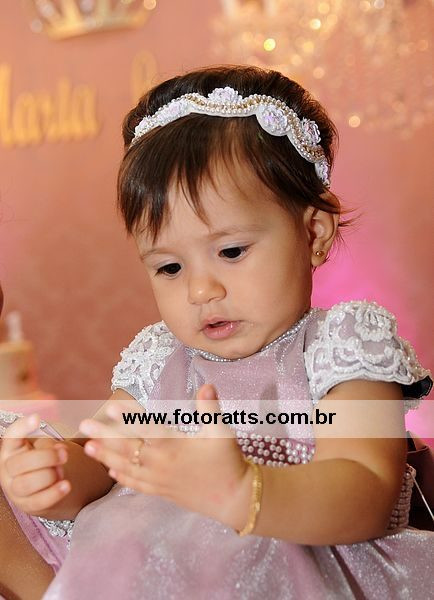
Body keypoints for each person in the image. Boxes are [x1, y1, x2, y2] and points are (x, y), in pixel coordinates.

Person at [1, 65, 433, 599]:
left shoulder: (340, 348)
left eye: (231, 251)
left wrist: (242, 492)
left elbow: (366, 489)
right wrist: (56, 477)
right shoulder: (160, 360)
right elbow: (105, 458)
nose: (201, 290)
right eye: (169, 267)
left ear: (314, 234)